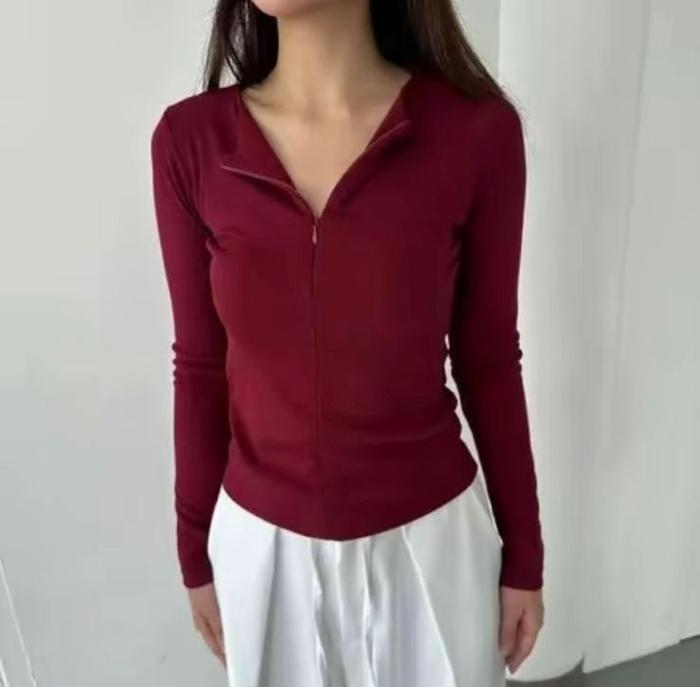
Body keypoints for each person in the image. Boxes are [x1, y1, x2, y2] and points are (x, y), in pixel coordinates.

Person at [150, 0, 545, 685]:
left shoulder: (475, 134)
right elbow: (201, 366)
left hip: (434, 549)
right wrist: (195, 554)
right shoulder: (192, 143)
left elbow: (488, 359)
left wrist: (524, 556)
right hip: (263, 553)